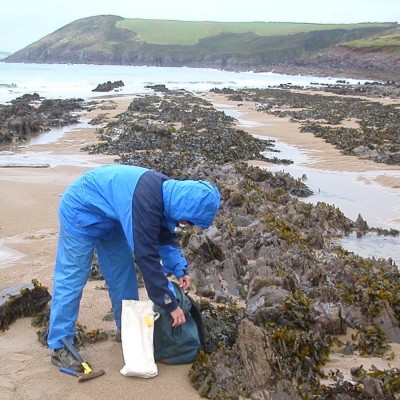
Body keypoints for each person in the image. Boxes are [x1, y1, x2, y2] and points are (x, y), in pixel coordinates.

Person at [47, 164, 221, 372]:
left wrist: (178, 268)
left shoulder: (168, 194)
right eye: (188, 221)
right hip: (81, 209)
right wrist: (170, 304)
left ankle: (127, 330)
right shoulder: (145, 204)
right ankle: (60, 345)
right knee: (72, 279)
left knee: (123, 277)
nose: (185, 224)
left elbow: (165, 235)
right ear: (184, 209)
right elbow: (146, 258)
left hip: (111, 218)